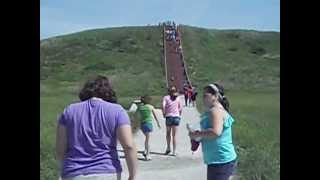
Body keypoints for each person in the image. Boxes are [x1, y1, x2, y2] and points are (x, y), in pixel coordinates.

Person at [56, 76, 138, 180]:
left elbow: (60, 150)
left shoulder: (69, 111)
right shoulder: (117, 111)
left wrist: (63, 171)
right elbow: (129, 145)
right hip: (106, 172)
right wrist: (132, 176)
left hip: (74, 173)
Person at [189, 83, 237, 180]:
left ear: (215, 96)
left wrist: (196, 134)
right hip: (218, 159)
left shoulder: (215, 111)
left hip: (220, 159)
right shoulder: (214, 110)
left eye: (206, 96)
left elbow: (216, 132)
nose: (203, 98)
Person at [137, 95, 161, 161]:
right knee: (147, 140)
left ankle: (145, 150)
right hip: (148, 123)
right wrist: (158, 123)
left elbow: (136, 115)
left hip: (142, 124)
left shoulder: (140, 107)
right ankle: (147, 153)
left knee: (146, 137)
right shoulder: (150, 107)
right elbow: (155, 116)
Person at [162, 86, 182, 156]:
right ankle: (174, 151)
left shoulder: (166, 98)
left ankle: (168, 148)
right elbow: (180, 108)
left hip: (169, 116)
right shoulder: (178, 98)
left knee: (168, 133)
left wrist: (164, 113)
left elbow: (163, 106)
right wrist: (179, 115)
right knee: (174, 135)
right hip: (176, 117)